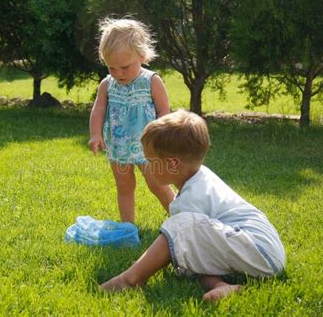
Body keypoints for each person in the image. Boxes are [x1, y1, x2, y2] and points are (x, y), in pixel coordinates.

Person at [100, 110, 286, 301]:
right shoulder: (200, 177)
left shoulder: (192, 198)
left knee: (179, 229)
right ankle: (221, 286)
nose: (146, 167)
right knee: (185, 252)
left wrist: (147, 264)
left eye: (150, 162)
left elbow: (177, 238)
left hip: (257, 248)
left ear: (172, 164)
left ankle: (130, 280)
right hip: (262, 251)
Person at [88, 18, 175, 223]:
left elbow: (164, 110)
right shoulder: (107, 84)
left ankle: (179, 219)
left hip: (149, 148)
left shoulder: (151, 80)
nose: (118, 73)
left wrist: (162, 138)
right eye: (112, 68)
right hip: (119, 148)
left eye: (125, 67)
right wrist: (95, 134)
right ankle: (128, 226)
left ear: (141, 56)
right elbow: (98, 110)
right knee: (124, 186)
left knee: (158, 184)